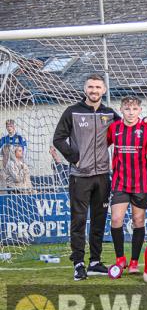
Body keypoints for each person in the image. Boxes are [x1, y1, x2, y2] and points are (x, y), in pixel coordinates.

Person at [53, 73, 120, 281]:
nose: (94, 90)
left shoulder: (110, 114)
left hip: (102, 176)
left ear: (104, 90)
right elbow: (58, 138)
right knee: (79, 220)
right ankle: (79, 263)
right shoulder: (72, 111)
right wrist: (75, 158)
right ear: (85, 89)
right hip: (79, 176)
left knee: (99, 220)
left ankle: (95, 262)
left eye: (98, 87)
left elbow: (127, 127)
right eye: (90, 87)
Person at [107, 96, 147, 275]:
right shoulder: (114, 128)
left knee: (138, 221)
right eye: (127, 109)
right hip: (120, 182)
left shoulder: (146, 128)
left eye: (134, 109)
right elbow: (101, 145)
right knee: (116, 219)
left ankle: (134, 262)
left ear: (139, 111)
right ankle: (120, 259)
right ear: (121, 110)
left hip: (141, 183)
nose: (131, 112)